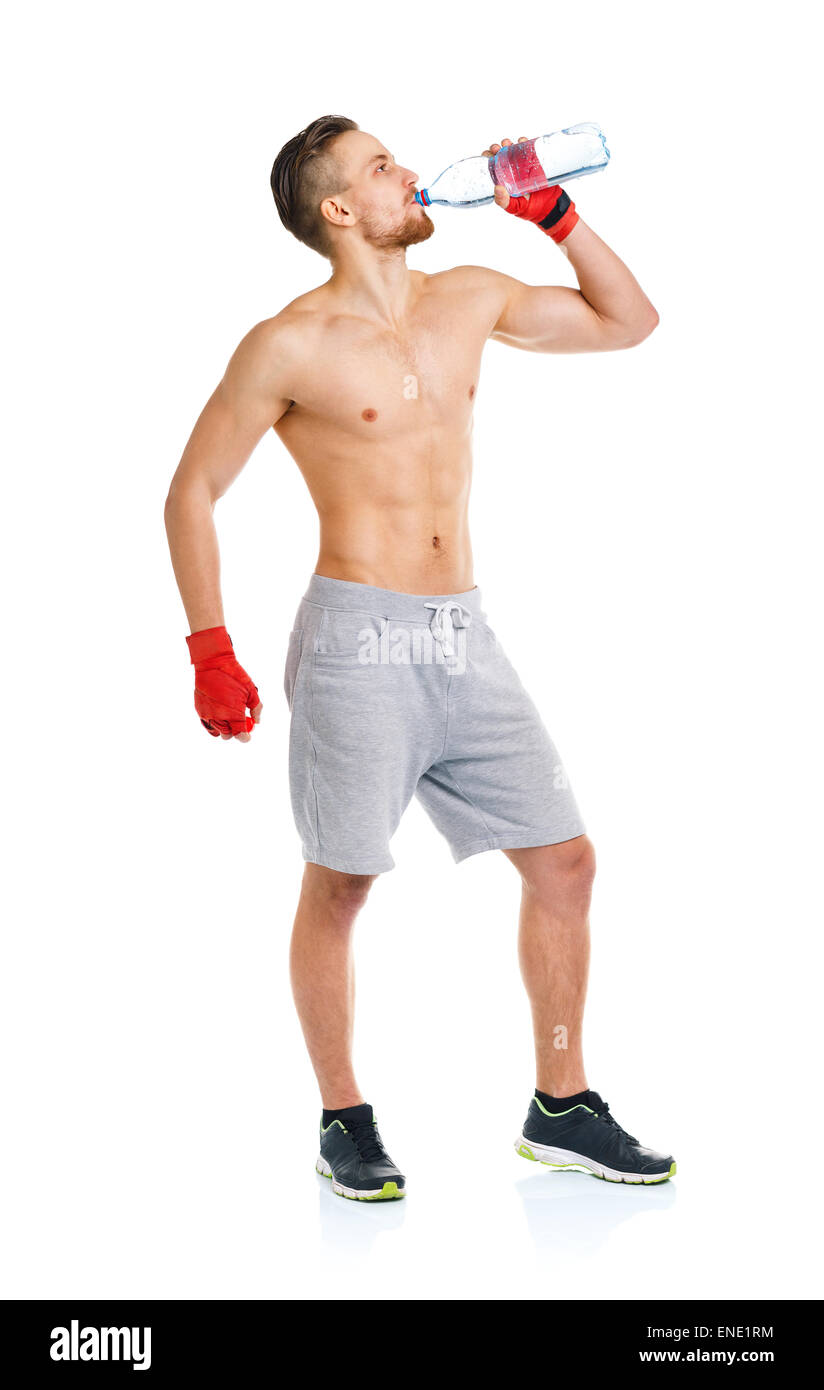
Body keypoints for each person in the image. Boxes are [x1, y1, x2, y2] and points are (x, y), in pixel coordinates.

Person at [164, 115, 676, 1202]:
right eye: (380, 167)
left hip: (464, 633)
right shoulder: (287, 343)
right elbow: (192, 491)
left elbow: (629, 321)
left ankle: (561, 1105)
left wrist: (555, 215)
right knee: (342, 882)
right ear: (340, 211)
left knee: (565, 863)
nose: (410, 173)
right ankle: (342, 1117)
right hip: (356, 640)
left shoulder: (468, 296)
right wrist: (210, 644)